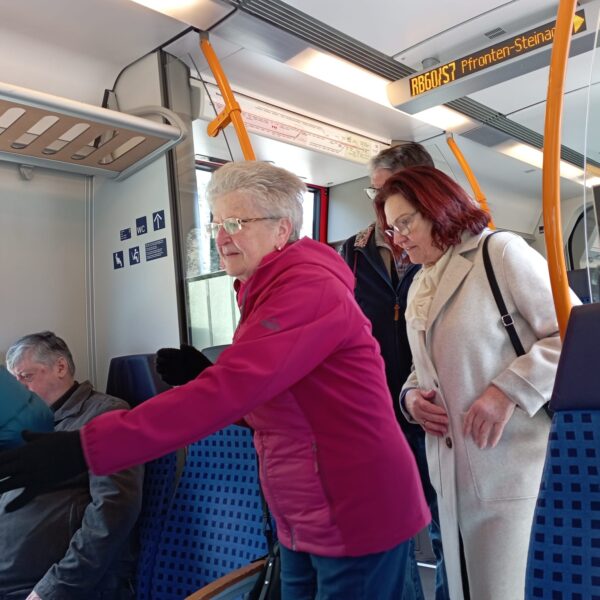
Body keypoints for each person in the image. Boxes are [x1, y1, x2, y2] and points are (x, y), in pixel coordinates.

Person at [0, 162, 430, 600]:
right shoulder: (261, 293)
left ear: (281, 230)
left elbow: (230, 391)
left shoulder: (308, 288)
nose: (221, 237)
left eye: (236, 223)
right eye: (216, 223)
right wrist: (206, 375)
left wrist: (85, 447)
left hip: (354, 506)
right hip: (303, 510)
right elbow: (272, 403)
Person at [374, 165, 578, 600]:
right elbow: (424, 366)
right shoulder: (420, 283)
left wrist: (507, 390)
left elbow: (574, 334)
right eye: (392, 229)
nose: (399, 238)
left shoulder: (499, 252)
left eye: (405, 222)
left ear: (437, 208)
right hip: (451, 474)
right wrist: (410, 398)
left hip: (512, 466)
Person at [341, 142, 449, 600]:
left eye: (391, 191)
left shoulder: (446, 251)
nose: (381, 204)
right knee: (391, 529)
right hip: (378, 413)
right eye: (375, 192)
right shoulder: (351, 251)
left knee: (447, 526)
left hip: (437, 411)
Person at [0, 331, 143, 600]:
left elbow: (113, 510)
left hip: (49, 586)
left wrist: (52, 589)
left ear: (60, 367)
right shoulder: (24, 425)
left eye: (26, 377)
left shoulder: (105, 415)